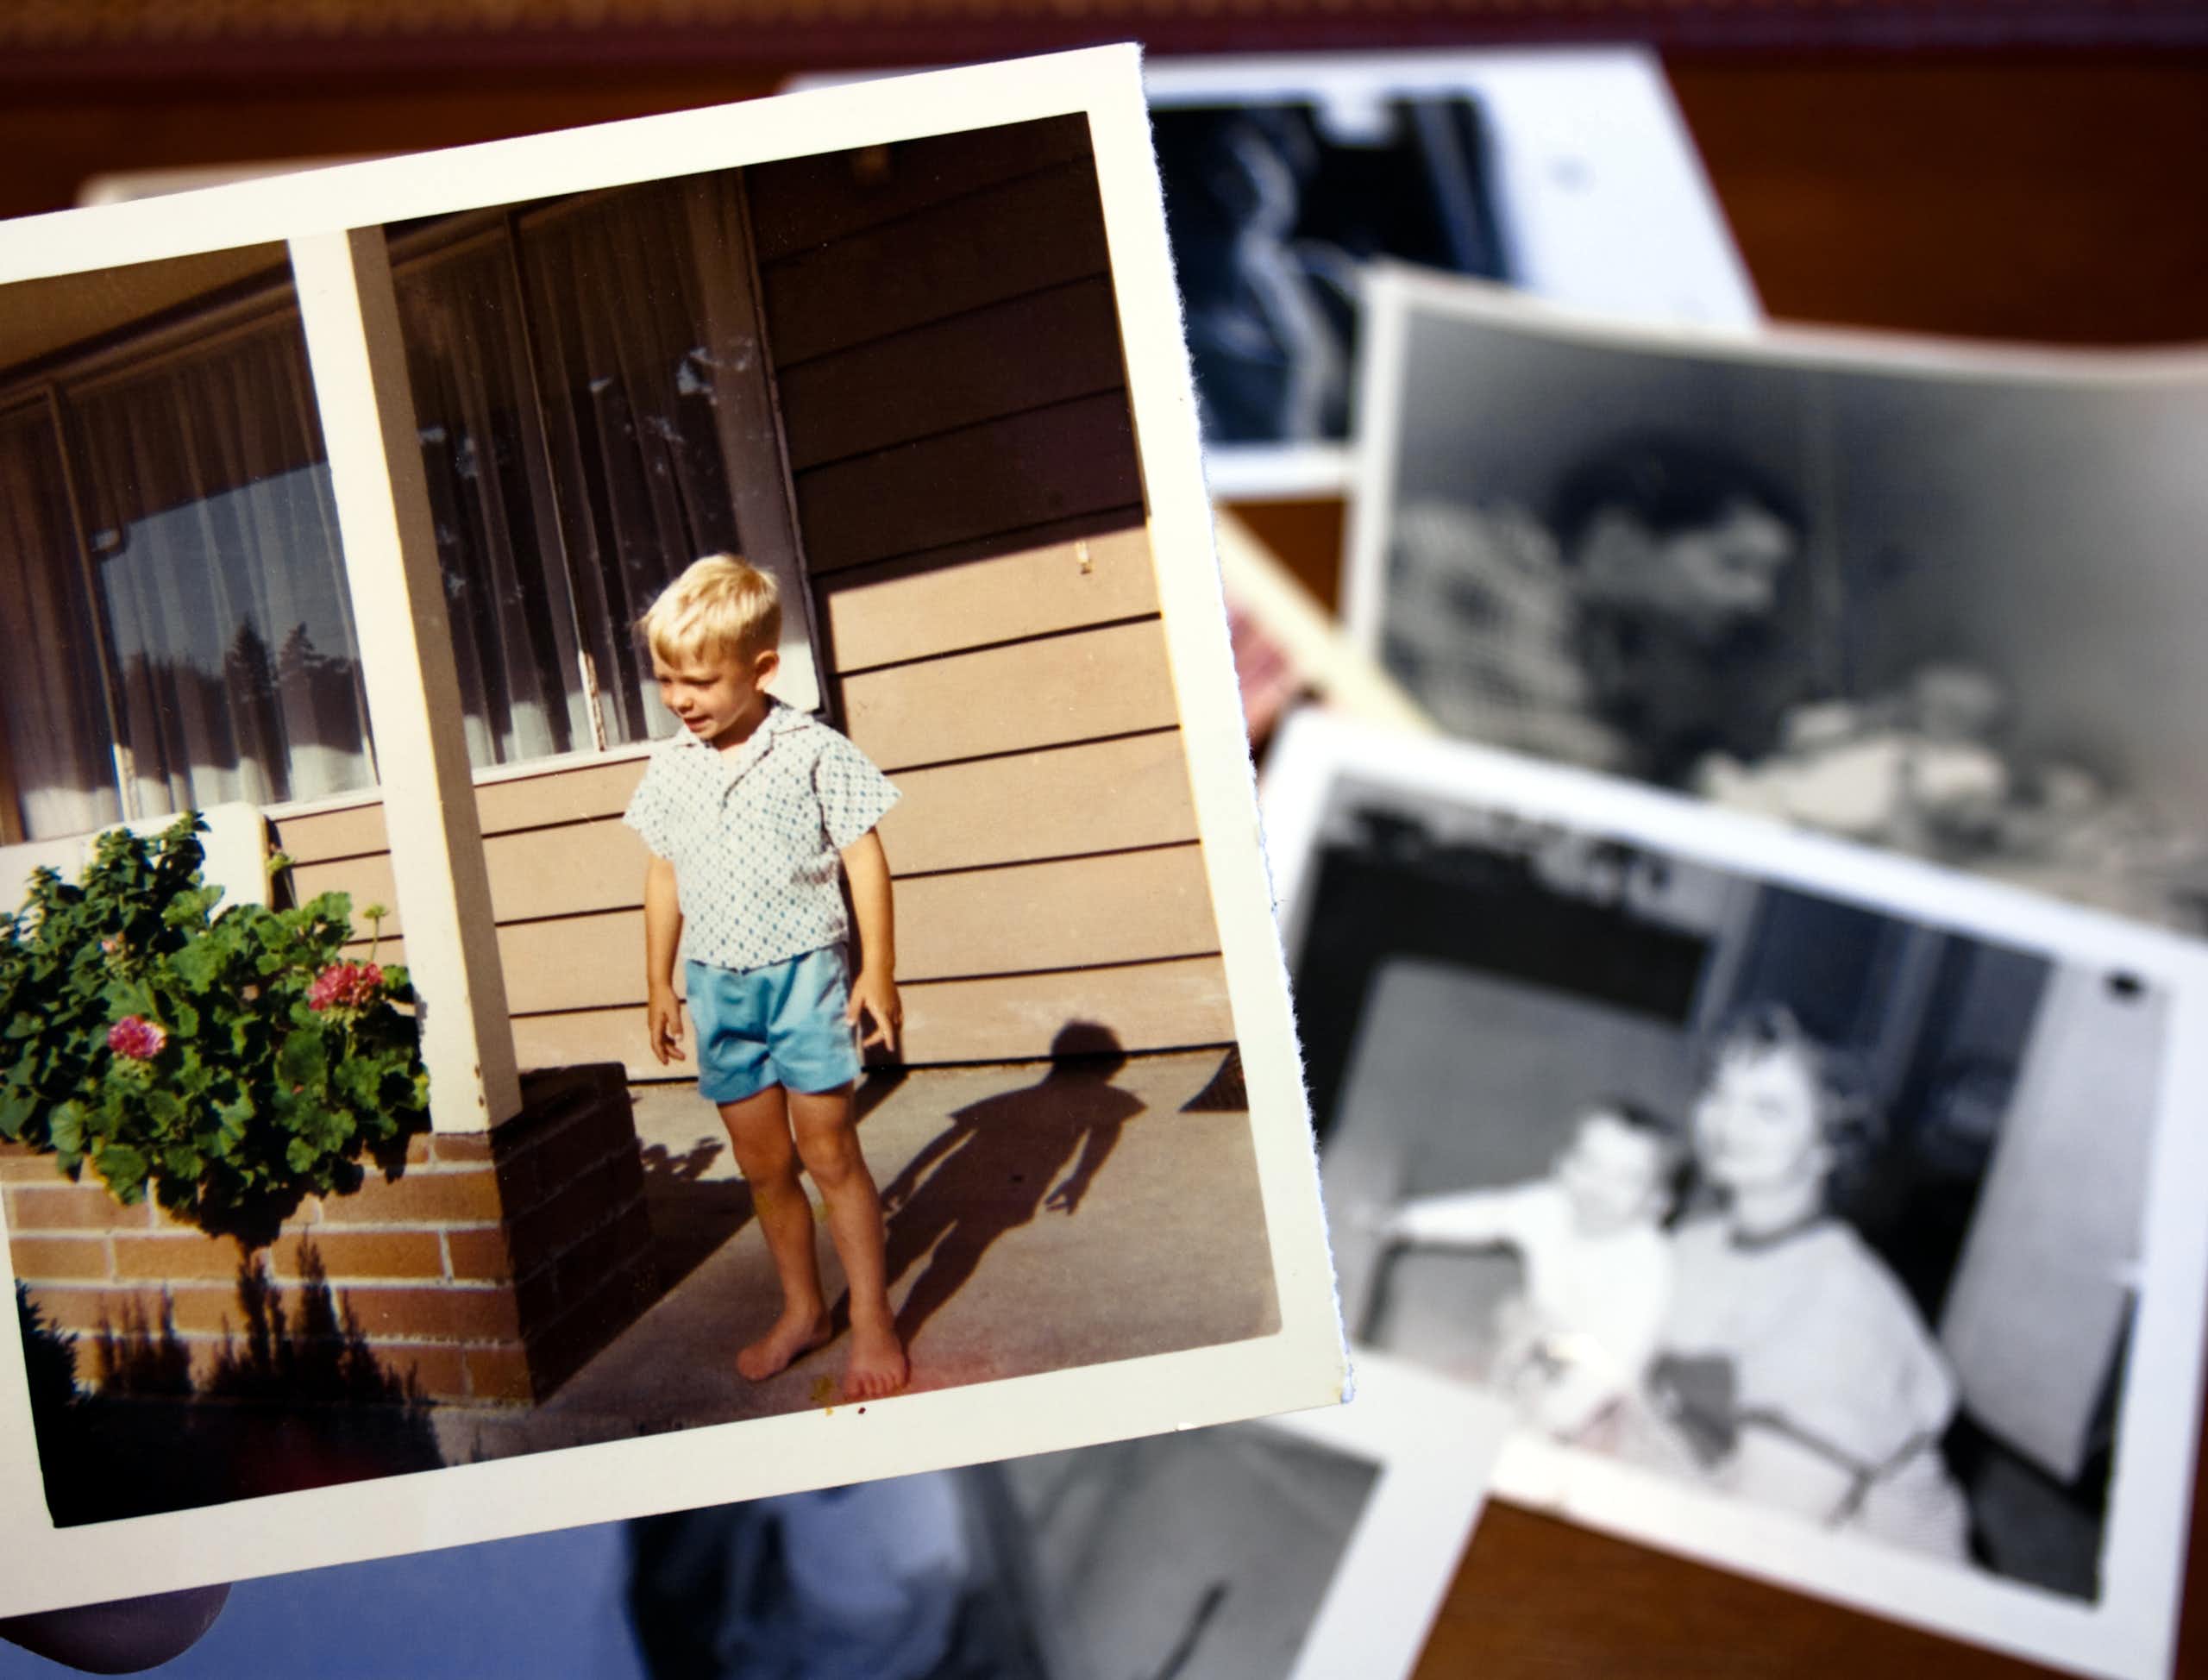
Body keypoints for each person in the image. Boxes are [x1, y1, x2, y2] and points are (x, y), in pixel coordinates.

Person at [623, 555, 908, 1402]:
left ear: (761, 669)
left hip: (804, 979)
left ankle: (873, 1321)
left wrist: (880, 973)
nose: (681, 697)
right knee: (762, 1163)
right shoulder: (671, 765)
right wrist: (658, 982)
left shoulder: (813, 750)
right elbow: (664, 874)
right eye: (667, 678)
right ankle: (801, 1310)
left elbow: (866, 858)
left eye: (700, 680)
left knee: (828, 1151)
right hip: (717, 985)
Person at [1637, 1005, 1971, 1560]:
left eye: (1767, 1110)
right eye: (1721, 1094)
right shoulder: (1699, 1242)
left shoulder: (1841, 1311)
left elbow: (1755, 1539)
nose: (1727, 1123)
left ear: (1827, 1147)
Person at [1377, 1100, 1678, 1439]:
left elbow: (1621, 1360)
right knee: (1497, 1337)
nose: (1598, 1186)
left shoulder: (1647, 1263)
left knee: (1601, 1437)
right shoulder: (1549, 1205)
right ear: (1560, 1163)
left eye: (1625, 1178)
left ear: (1658, 1203)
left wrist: (1556, 1419)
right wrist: (1406, 1220)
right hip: (1537, 1341)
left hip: (1603, 1371)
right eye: (1588, 1163)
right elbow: (1487, 1214)